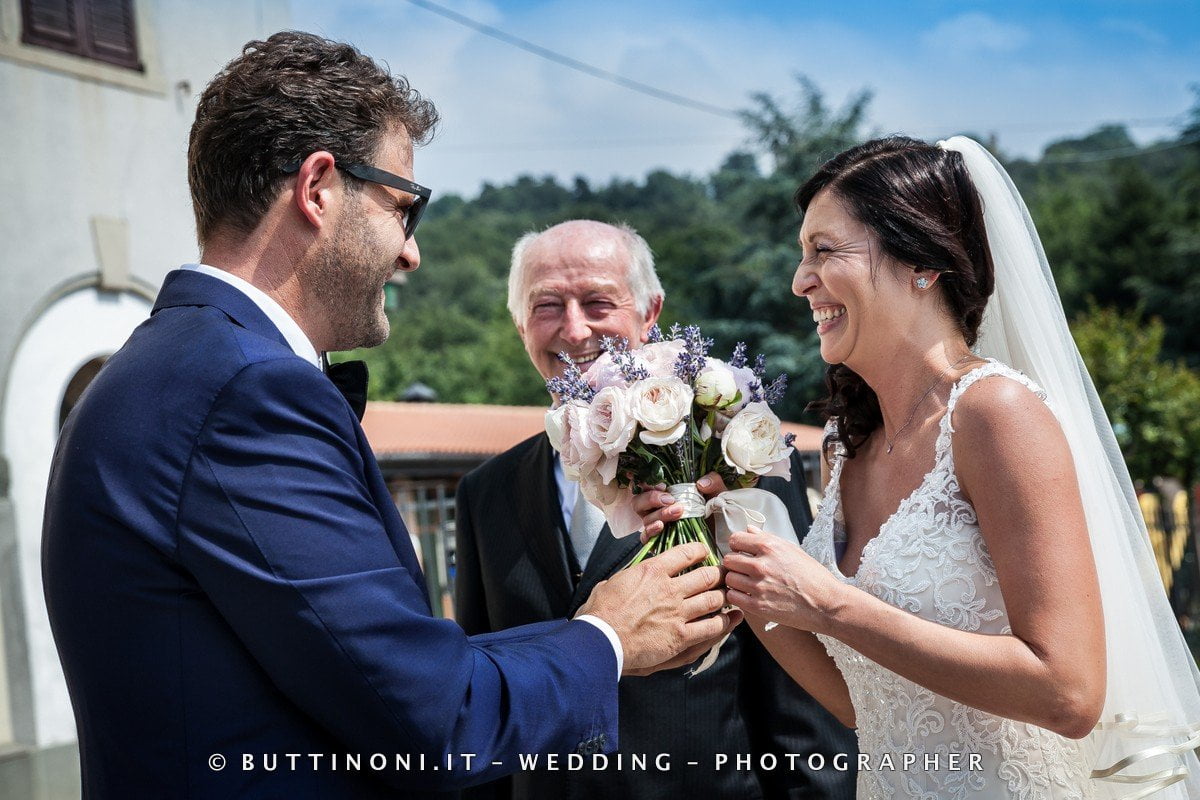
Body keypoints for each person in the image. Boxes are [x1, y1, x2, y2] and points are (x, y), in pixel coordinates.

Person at [41, 32, 739, 799]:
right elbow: (434, 714)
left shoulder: (166, 367)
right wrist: (608, 636)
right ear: (318, 189)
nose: (411, 255)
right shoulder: (245, 392)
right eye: (404, 209)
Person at [642, 135, 1200, 798]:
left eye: (823, 250)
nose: (800, 281)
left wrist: (827, 601)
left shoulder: (997, 414)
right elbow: (864, 703)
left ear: (923, 263)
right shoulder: (847, 443)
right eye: (801, 255)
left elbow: (1070, 691)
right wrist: (740, 562)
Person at [453, 219, 857, 799]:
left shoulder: (737, 461)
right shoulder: (484, 491)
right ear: (521, 325)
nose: (574, 328)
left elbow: (799, 699)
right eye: (547, 306)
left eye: (597, 302)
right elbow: (482, 686)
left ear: (650, 312)